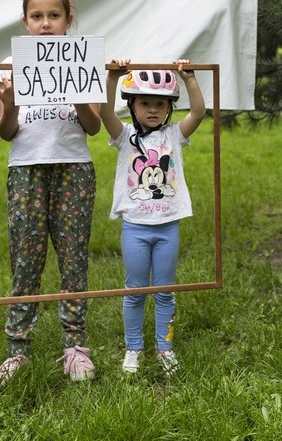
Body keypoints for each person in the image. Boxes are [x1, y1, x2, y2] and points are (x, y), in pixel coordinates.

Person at [0, 0, 103, 385]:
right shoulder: (11, 63)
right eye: (36, 16)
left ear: (68, 20)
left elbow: (91, 126)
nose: (45, 23)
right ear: (25, 22)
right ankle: (17, 349)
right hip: (26, 170)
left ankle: (75, 348)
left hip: (73, 168)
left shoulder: (81, 60)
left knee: (73, 258)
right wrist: (8, 105)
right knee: (26, 258)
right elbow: (6, 132)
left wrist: (77, 92)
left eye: (53, 16)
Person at [100, 58, 205, 375]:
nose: (153, 109)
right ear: (131, 105)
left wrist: (189, 79)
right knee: (134, 292)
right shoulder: (124, 135)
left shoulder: (173, 136)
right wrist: (113, 78)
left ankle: (165, 348)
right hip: (134, 228)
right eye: (145, 103)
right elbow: (104, 113)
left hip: (168, 228)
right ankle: (133, 349)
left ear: (169, 108)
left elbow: (198, 113)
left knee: (165, 291)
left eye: (160, 104)